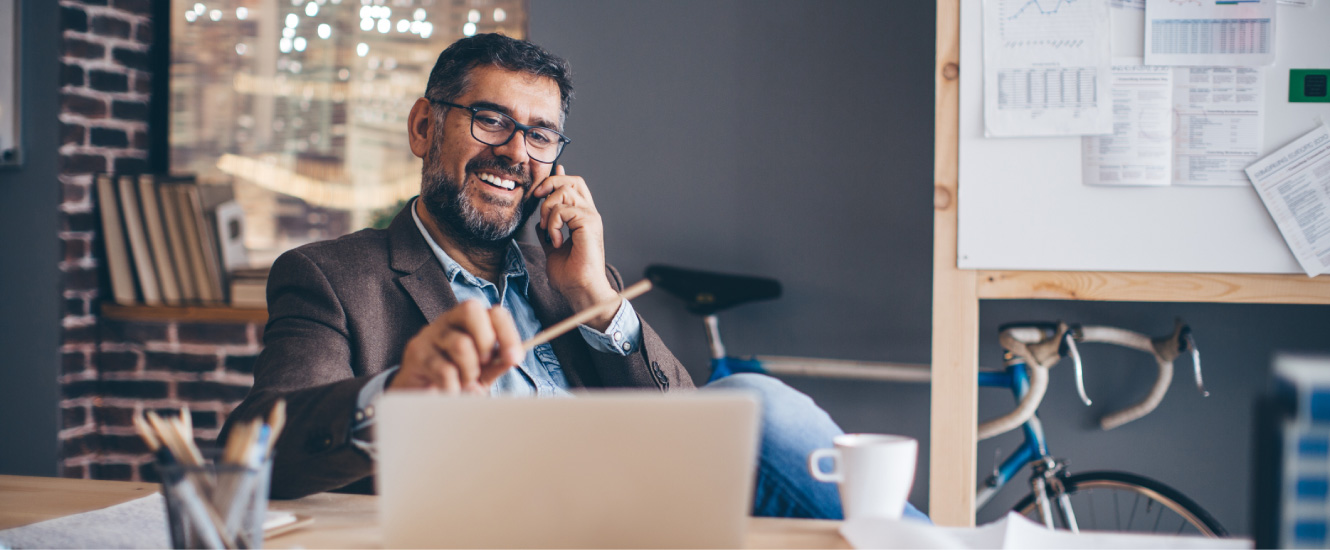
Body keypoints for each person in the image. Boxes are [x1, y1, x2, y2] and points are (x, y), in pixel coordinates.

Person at [222, 33, 926, 521]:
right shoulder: (332, 277)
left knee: (751, 408)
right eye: (490, 120)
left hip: (637, 520)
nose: (514, 153)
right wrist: (397, 395)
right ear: (423, 128)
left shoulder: (571, 280)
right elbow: (257, 449)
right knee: (755, 404)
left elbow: (688, 423)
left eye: (539, 135)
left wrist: (599, 301)